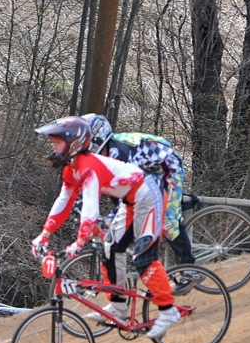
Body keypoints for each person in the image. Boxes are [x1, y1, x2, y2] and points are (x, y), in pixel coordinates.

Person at [30, 116, 180, 339]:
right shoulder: (71, 169)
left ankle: (168, 310)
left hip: (148, 196)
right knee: (108, 248)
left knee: (143, 256)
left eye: (57, 142)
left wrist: (79, 242)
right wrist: (44, 234)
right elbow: (64, 202)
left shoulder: (88, 166)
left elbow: (90, 207)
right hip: (130, 200)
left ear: (74, 143)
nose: (53, 148)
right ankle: (118, 308)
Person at [82, 113, 198, 270]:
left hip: (167, 166)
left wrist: (110, 218)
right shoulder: (104, 153)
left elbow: (130, 189)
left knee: (168, 221)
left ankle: (190, 268)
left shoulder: (120, 153)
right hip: (146, 170)